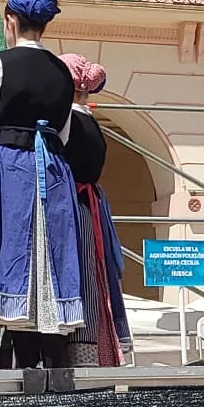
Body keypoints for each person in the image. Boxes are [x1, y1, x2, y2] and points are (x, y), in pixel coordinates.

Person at [0, 0, 84, 368]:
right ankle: (47, 355)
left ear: (10, 21)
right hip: (52, 166)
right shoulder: (62, 69)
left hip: (9, 163)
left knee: (7, 245)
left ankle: (14, 354)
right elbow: (64, 134)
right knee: (51, 249)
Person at [59, 54, 130, 368]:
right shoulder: (91, 123)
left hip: (71, 207)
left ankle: (75, 349)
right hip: (92, 207)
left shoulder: (67, 122)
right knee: (95, 274)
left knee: (75, 273)